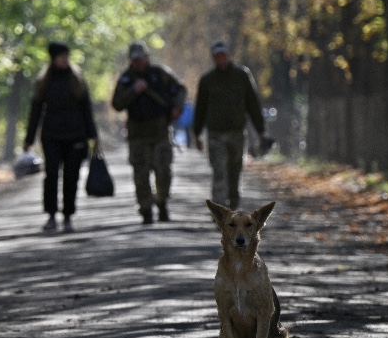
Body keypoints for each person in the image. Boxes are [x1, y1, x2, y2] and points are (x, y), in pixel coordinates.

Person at [23, 42, 98, 233]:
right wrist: (29, 138)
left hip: (75, 135)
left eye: (66, 55)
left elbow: (86, 108)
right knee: (51, 175)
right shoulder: (44, 81)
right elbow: (36, 110)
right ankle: (51, 215)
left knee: (71, 176)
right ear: (53, 58)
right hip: (52, 135)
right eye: (61, 56)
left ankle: (68, 216)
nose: (64, 59)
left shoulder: (77, 79)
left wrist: (92, 134)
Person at [111, 40, 187, 224]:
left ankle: (161, 202)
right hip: (137, 135)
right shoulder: (126, 79)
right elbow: (117, 104)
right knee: (141, 174)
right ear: (131, 60)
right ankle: (145, 209)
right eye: (135, 59)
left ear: (147, 57)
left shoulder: (160, 73)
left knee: (163, 172)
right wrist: (133, 91)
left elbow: (181, 89)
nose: (139, 62)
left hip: (160, 132)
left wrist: (177, 108)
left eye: (141, 58)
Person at [192, 40, 274, 209]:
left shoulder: (242, 76)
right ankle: (221, 212)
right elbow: (200, 109)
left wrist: (261, 131)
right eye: (218, 57)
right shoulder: (207, 80)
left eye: (224, 56)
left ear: (229, 56)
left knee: (235, 171)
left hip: (237, 133)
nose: (221, 60)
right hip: (215, 135)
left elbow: (252, 105)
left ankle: (234, 204)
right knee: (220, 171)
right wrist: (197, 134)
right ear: (214, 58)